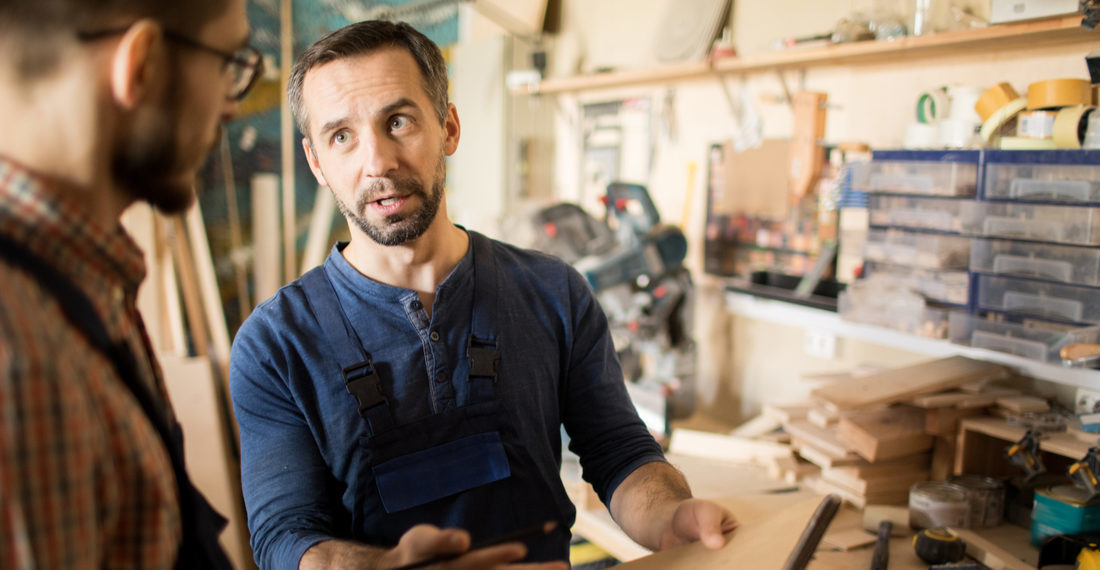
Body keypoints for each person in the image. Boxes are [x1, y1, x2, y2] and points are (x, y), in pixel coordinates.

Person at [229, 19, 737, 570]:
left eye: (397, 121)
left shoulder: (554, 292)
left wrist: (672, 517)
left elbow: (620, 451)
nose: (376, 162)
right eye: (342, 136)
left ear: (448, 128)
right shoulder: (274, 345)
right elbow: (285, 536)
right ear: (316, 162)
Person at [0, 1, 261, 568]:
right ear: (140, 65)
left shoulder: (83, 284)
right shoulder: (19, 353)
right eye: (227, 63)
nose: (231, 107)